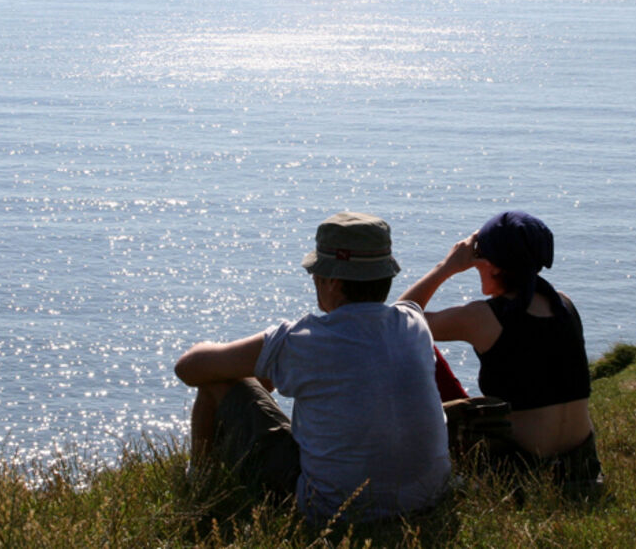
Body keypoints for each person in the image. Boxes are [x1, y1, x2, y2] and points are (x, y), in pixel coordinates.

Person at [174, 211, 451, 524]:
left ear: (332, 281)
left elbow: (189, 368)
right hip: (428, 498)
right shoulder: (414, 324)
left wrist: (258, 367)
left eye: (316, 274)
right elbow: (398, 312)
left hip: (332, 510)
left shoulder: (301, 341)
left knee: (216, 383)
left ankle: (199, 486)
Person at [398, 210, 603, 495]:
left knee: (422, 350)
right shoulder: (564, 306)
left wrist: (447, 266)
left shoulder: (483, 318)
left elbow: (397, 323)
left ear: (492, 264)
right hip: (584, 468)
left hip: (524, 473)